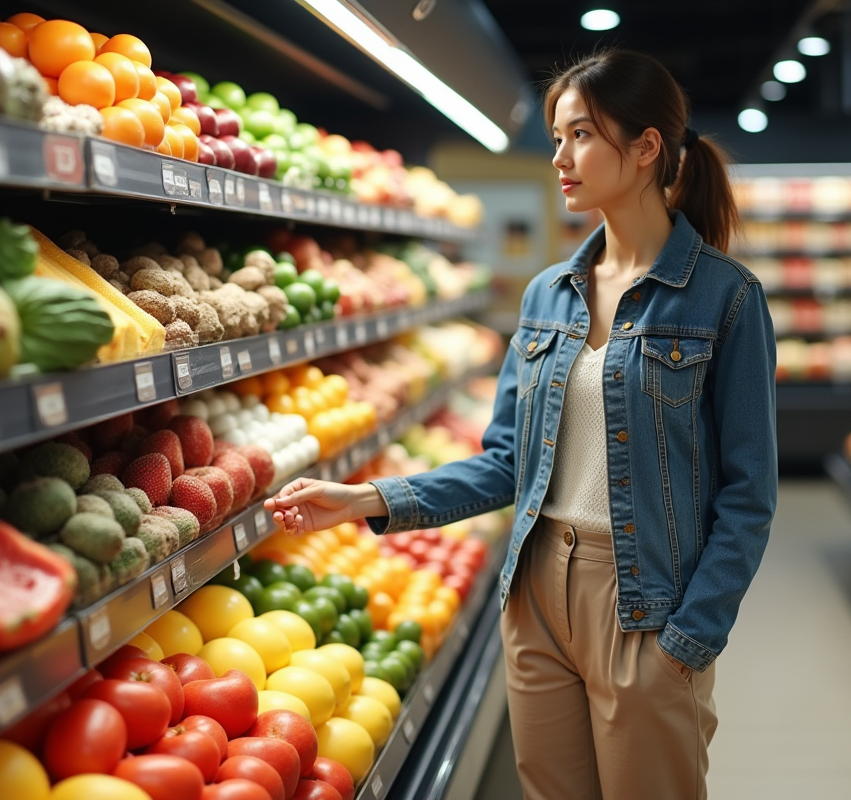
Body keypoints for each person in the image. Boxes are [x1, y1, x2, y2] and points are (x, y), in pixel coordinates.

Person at [264, 48, 777, 800]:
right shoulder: (549, 295)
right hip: (536, 592)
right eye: (557, 137)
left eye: (580, 137)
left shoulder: (725, 298)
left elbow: (749, 495)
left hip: (643, 600)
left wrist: (687, 642)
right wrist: (367, 499)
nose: (560, 158)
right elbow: (505, 462)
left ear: (645, 148)